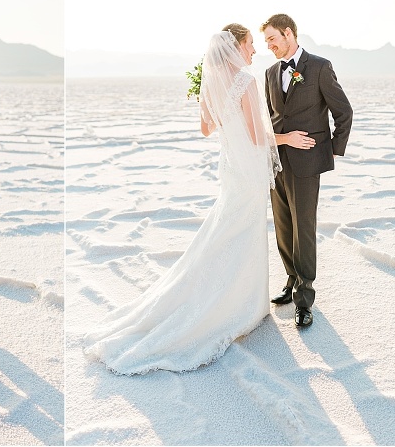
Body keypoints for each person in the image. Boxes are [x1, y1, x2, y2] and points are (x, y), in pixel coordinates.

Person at [83, 25, 315, 375]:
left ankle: (237, 298)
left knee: (228, 227)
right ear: (237, 46)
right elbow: (257, 135)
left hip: (232, 168)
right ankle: (241, 306)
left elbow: (206, 128)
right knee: (242, 229)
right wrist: (288, 138)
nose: (254, 50)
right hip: (248, 169)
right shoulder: (246, 81)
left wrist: (207, 100)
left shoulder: (215, 84)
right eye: (251, 44)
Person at [261, 14, 353, 328]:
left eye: (272, 38)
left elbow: (343, 112)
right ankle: (290, 278)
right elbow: (270, 118)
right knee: (283, 226)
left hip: (306, 163)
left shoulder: (319, 67)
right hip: (275, 161)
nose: (269, 45)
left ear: (289, 33)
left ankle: (305, 296)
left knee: (304, 228)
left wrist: (329, 151)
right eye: (266, 42)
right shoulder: (270, 73)